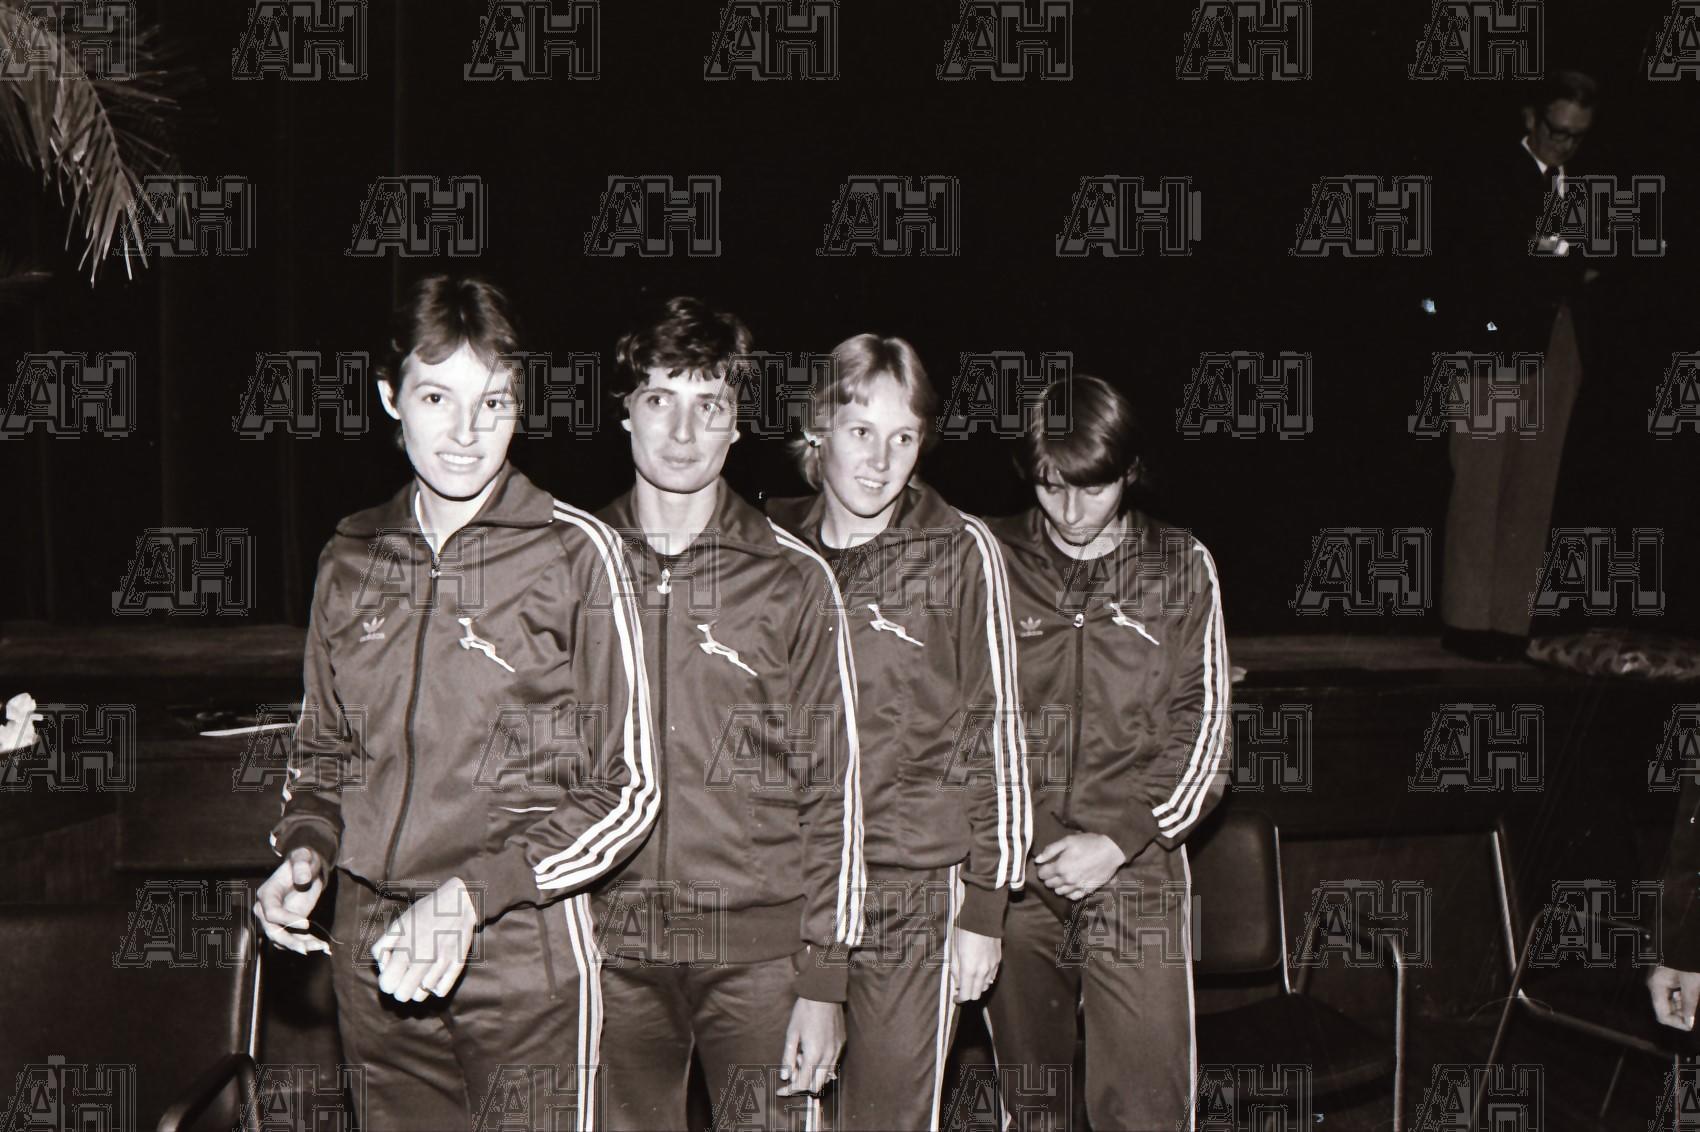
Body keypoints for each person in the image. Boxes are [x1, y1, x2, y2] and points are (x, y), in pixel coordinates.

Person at [255, 275, 657, 1131]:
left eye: (494, 402)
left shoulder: (578, 553)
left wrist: (475, 894)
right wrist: (306, 851)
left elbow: (629, 789)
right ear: (389, 397)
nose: (469, 433)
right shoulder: (351, 555)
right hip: (370, 945)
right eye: (437, 397)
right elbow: (322, 752)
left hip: (522, 948)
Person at [591, 297, 864, 1131]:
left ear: (737, 424)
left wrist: (825, 979)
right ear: (625, 412)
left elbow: (836, 790)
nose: (682, 433)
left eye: (708, 405)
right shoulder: (573, 566)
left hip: (760, 962)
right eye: (659, 399)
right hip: (607, 953)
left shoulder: (794, 578)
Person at [766, 334, 1029, 1131]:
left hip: (911, 891)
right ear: (817, 429)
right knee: (786, 1114)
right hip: (790, 886)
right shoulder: (768, 548)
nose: (880, 462)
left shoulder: (961, 551)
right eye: (860, 431)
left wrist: (984, 909)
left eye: (904, 437)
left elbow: (996, 730)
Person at [985, 373, 1230, 1131]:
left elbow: (1206, 730)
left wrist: (1120, 840)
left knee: (1148, 1109)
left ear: (1131, 472)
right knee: (1033, 1107)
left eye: (1093, 489)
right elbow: (965, 718)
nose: (1070, 512)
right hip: (1019, 870)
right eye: (1051, 487)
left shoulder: (1181, 564)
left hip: (1136, 866)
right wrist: (1033, 836)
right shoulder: (989, 557)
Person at [1439, 71, 1597, 661]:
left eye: (1577, 136)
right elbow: (1490, 261)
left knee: (1535, 486)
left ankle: (1510, 624)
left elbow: (1596, 260)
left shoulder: (1585, 183)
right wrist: (1560, 261)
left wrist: (1561, 261)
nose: (1565, 144)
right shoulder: (1490, 173)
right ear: (1531, 118)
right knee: (1481, 482)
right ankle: (1467, 622)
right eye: (1557, 131)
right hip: (1494, 344)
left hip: (1559, 341)